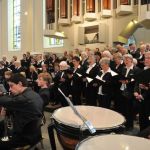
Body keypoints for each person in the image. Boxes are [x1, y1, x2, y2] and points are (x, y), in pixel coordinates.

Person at [0, 73, 43, 149]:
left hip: (24, 138)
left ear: (20, 84)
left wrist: (2, 95)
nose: (9, 89)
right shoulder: (34, 94)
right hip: (34, 133)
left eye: (11, 86)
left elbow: (5, 101)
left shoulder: (25, 98)